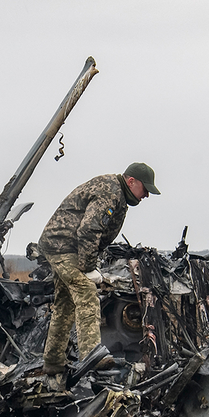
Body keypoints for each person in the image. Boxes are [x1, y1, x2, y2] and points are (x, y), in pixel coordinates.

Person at [36, 162, 160, 384]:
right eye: (145, 190)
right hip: (63, 246)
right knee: (86, 292)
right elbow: (89, 229)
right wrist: (88, 267)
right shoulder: (110, 191)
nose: (146, 196)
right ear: (131, 181)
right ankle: (92, 355)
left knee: (65, 304)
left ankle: (53, 361)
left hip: (62, 245)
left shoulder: (117, 193)